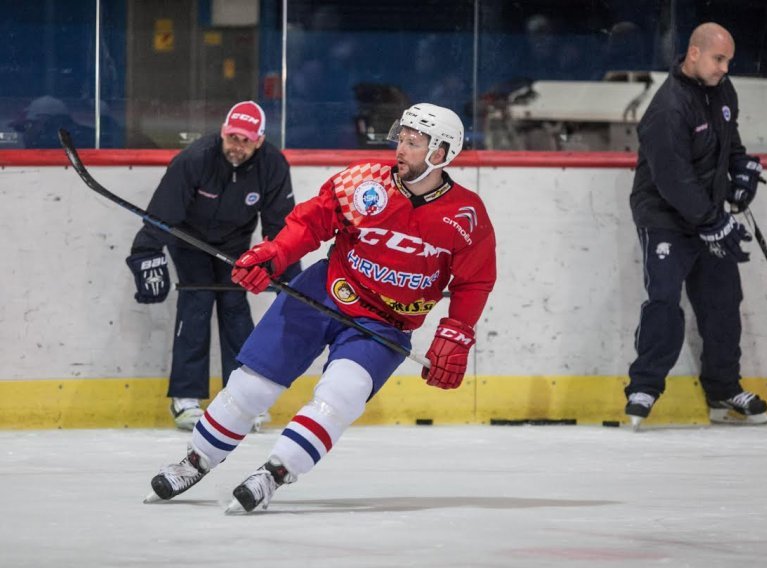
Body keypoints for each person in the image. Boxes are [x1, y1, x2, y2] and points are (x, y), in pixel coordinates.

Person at [143, 103, 497, 513]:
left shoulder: (466, 215)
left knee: (340, 396)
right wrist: (274, 254)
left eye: (413, 143)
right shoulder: (365, 181)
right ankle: (195, 460)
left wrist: (456, 332)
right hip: (324, 291)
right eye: (401, 138)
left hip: (385, 323)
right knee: (252, 385)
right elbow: (311, 223)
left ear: (440, 153)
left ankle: (275, 472)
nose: (401, 148)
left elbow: (475, 280)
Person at [625, 23, 767, 429]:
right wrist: (714, 221)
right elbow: (673, 179)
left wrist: (741, 172)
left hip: (707, 214)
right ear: (693, 53)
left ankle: (723, 389)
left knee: (723, 302)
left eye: (728, 61)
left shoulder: (723, 91)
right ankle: (645, 386)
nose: (724, 68)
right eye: (718, 59)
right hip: (666, 217)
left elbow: (730, 144)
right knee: (664, 300)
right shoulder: (667, 108)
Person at [126, 100, 300, 431]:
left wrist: (288, 274)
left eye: (246, 140)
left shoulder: (273, 166)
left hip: (235, 245)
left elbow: (280, 226)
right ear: (223, 132)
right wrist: (145, 252)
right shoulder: (195, 159)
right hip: (190, 242)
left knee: (235, 306)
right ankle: (186, 398)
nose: (237, 145)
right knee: (197, 303)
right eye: (232, 137)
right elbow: (163, 212)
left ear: (259, 140)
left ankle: (242, 398)